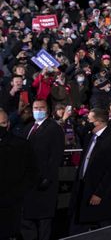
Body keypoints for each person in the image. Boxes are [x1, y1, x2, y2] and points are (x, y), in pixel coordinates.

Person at [68, 108, 111, 235]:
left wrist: (99, 193)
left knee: (103, 229)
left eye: (89, 120)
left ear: (98, 122)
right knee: (77, 227)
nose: (86, 122)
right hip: (84, 188)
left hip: (100, 194)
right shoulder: (90, 136)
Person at [21, 99, 65, 240]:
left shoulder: (54, 128)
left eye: (41, 108)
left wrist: (48, 177)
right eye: (35, 107)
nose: (38, 110)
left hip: (45, 182)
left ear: (47, 110)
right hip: (29, 182)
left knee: (44, 220)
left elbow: (56, 155)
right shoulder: (28, 128)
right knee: (27, 218)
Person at [0, 109, 38, 240]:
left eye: (3, 123)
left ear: (9, 124)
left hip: (14, 206)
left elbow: (32, 172)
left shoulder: (22, 145)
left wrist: (19, 193)